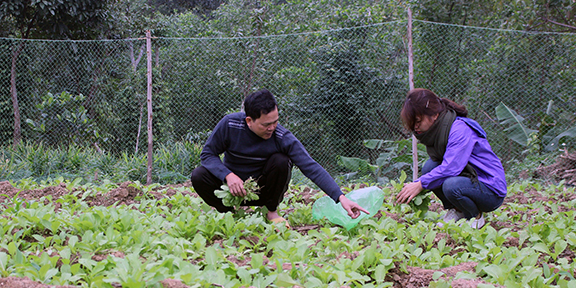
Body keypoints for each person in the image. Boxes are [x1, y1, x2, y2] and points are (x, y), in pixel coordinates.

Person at [191, 89, 369, 226]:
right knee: (199, 175)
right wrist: (228, 175)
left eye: (275, 122)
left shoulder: (282, 137)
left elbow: (310, 166)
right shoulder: (230, 125)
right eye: (266, 124)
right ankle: (229, 212)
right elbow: (208, 154)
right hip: (232, 188)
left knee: (281, 161)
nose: (272, 128)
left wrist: (341, 198)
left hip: (262, 190)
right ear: (249, 121)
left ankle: (271, 211)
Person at [396, 88, 507, 229]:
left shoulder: (459, 130)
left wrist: (420, 184)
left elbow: (451, 168)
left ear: (434, 114)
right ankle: (458, 210)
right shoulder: (439, 131)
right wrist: (417, 183)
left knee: (450, 185)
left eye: (418, 121)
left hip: (490, 189)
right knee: (429, 167)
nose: (415, 127)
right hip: (469, 179)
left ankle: (475, 217)